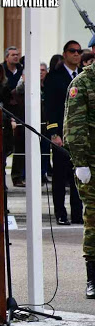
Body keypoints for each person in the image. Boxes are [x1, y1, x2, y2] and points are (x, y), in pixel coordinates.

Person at [63, 60, 95, 299]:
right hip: (92, 162)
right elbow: (74, 126)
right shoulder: (82, 83)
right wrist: (81, 162)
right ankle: (93, 278)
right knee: (94, 218)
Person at [44, 40, 84, 225]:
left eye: (78, 51)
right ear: (65, 54)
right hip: (62, 134)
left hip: (81, 136)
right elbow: (50, 108)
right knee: (60, 177)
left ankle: (78, 213)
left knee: (80, 175)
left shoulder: (83, 76)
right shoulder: (54, 76)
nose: (76, 54)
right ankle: (61, 213)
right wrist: (54, 134)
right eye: (72, 51)